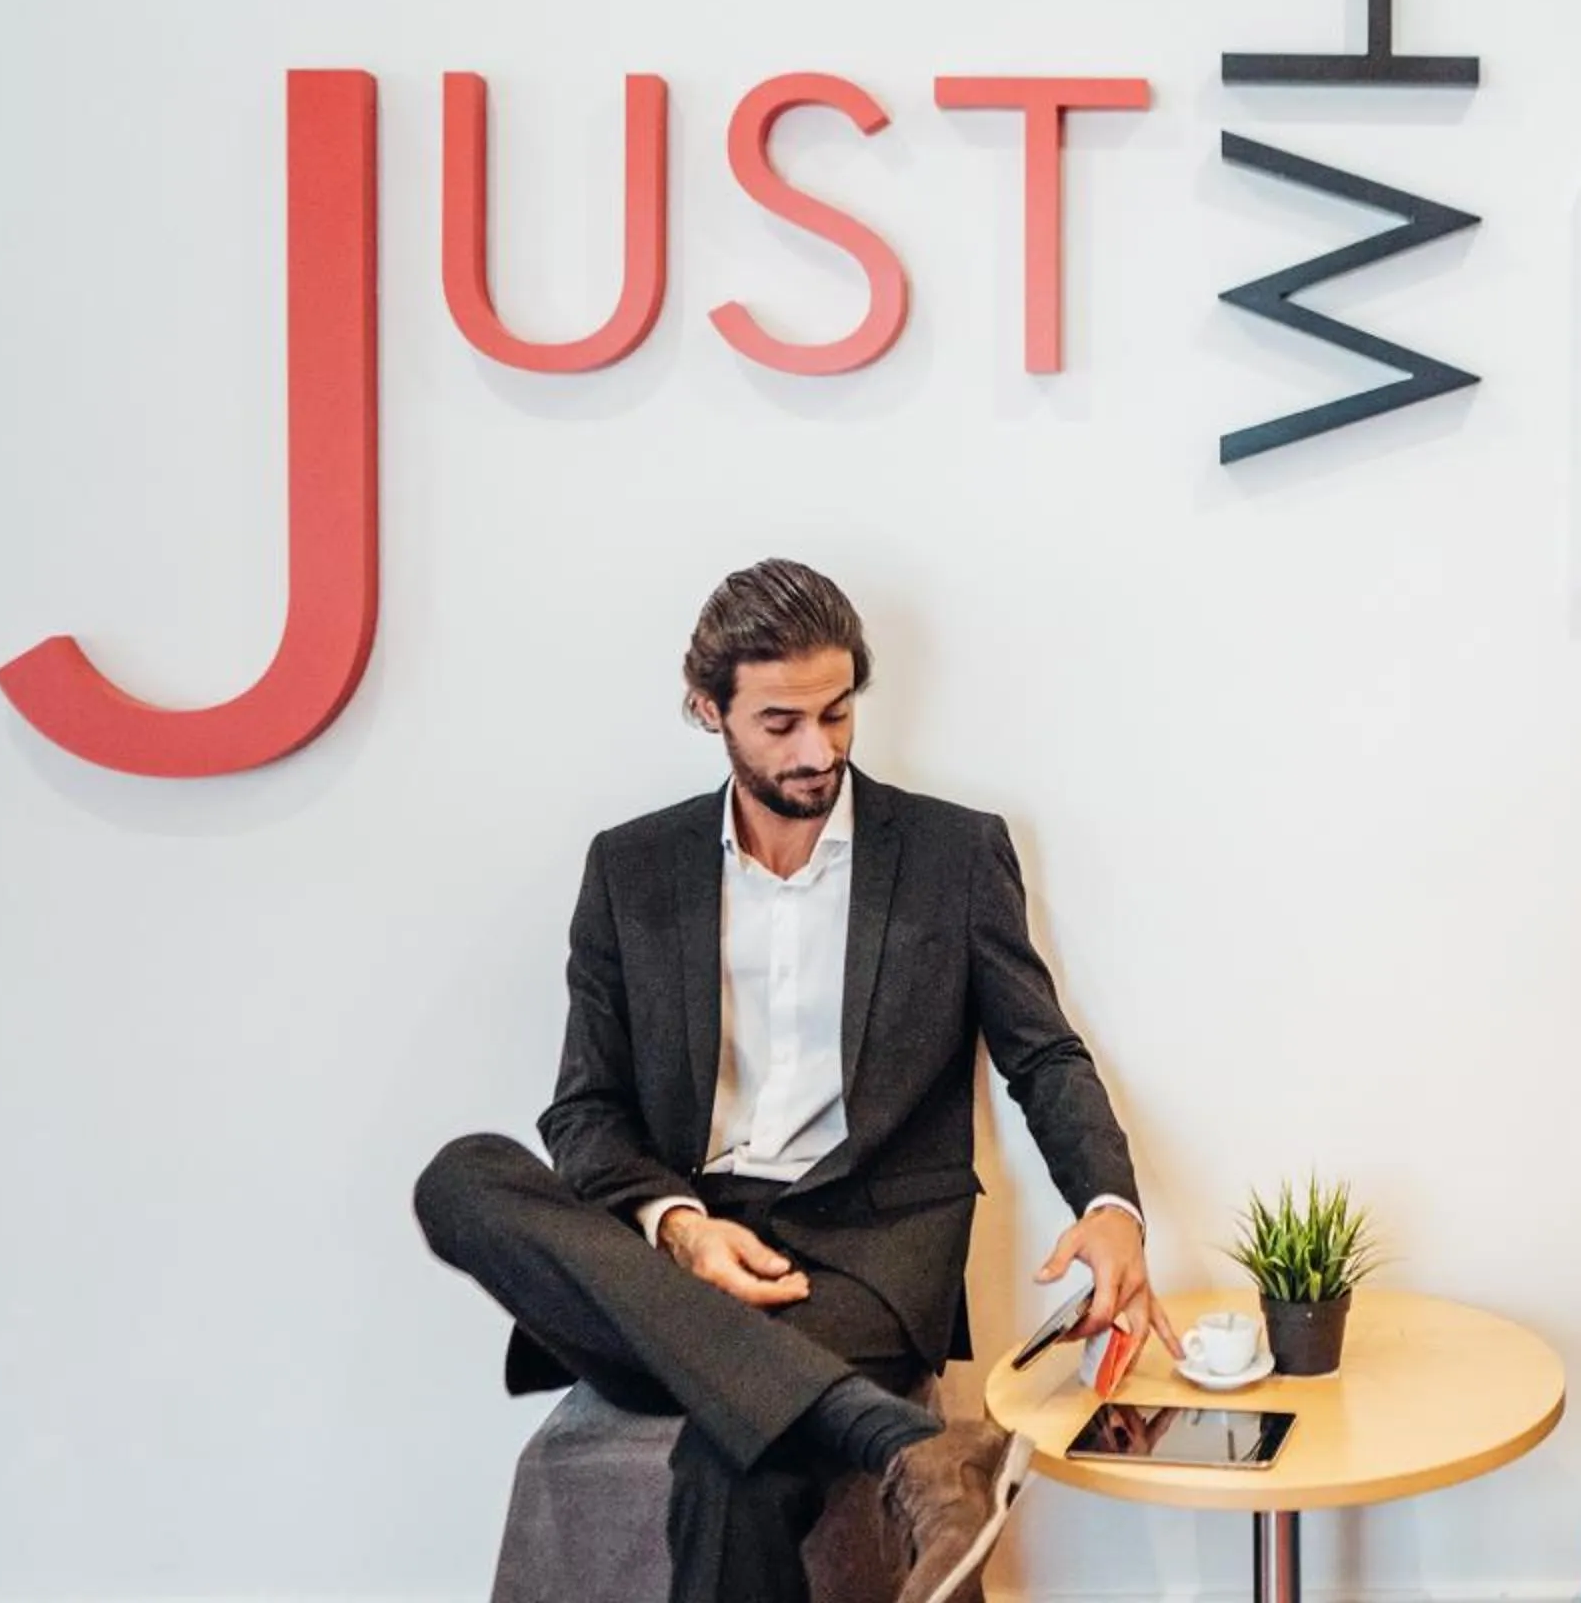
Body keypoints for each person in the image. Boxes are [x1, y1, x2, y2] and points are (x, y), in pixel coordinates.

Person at [413, 560, 1178, 1603]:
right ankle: (905, 1442)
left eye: (836, 711)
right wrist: (679, 1227)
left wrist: (1110, 1205)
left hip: (864, 1259)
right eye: (780, 722)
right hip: (674, 1265)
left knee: (735, 1465)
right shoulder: (630, 869)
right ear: (706, 709)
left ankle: (880, 1428)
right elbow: (584, 1112)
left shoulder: (953, 853)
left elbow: (1042, 1051)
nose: (819, 749)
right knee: (463, 1175)